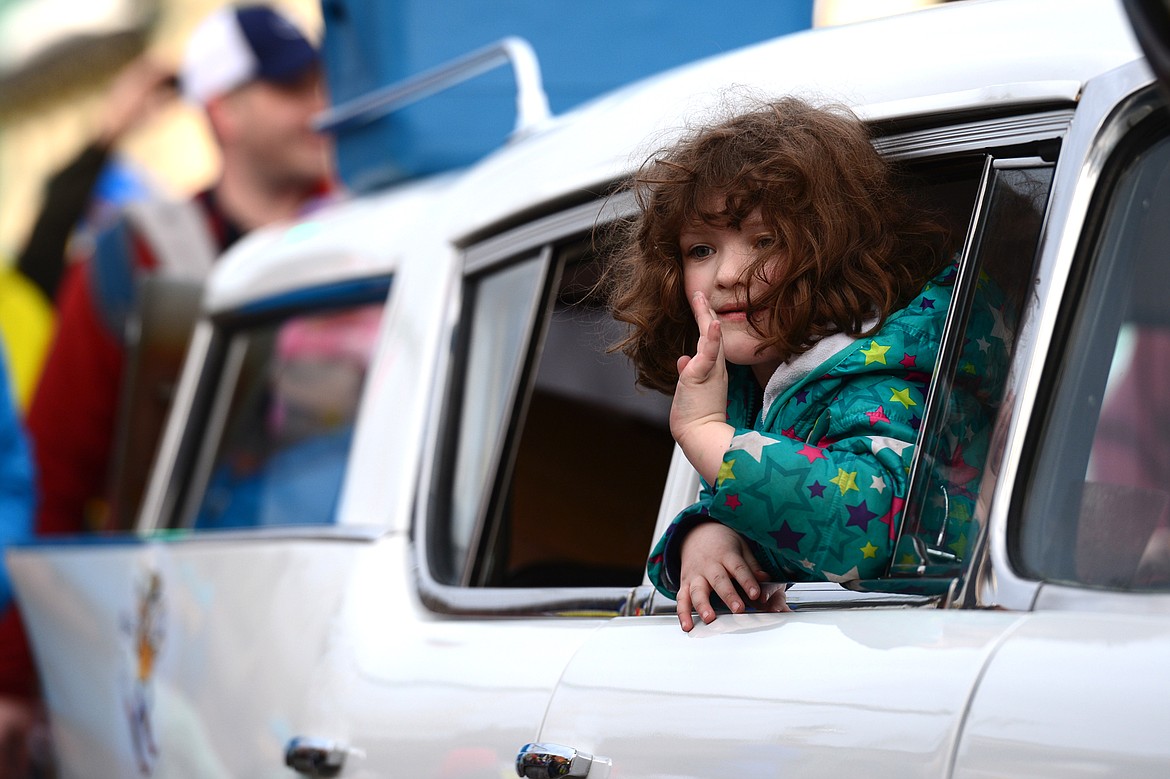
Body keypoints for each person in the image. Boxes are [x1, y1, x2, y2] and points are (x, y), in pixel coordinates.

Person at [0, 0, 334, 752]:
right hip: (173, 659)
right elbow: (51, 475)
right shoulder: (135, 260)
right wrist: (14, 683)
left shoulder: (374, 231)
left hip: (328, 633)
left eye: (320, 82)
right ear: (223, 111)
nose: (318, 106)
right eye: (289, 88)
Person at [606, 97, 1001, 631]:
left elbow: (876, 527)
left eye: (765, 241)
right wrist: (704, 535)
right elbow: (770, 509)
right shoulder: (748, 385)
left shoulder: (883, 373)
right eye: (700, 250)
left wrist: (707, 435)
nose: (726, 273)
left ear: (833, 248)